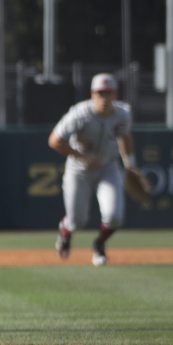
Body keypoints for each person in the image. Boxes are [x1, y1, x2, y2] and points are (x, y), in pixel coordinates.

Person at [48, 73, 135, 266]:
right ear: (93, 94)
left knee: (114, 216)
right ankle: (65, 233)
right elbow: (54, 140)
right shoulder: (80, 114)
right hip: (78, 170)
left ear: (115, 95)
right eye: (100, 93)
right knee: (76, 222)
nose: (104, 97)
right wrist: (82, 157)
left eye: (108, 93)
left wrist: (130, 164)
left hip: (108, 167)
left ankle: (99, 244)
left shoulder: (123, 114)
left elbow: (125, 137)